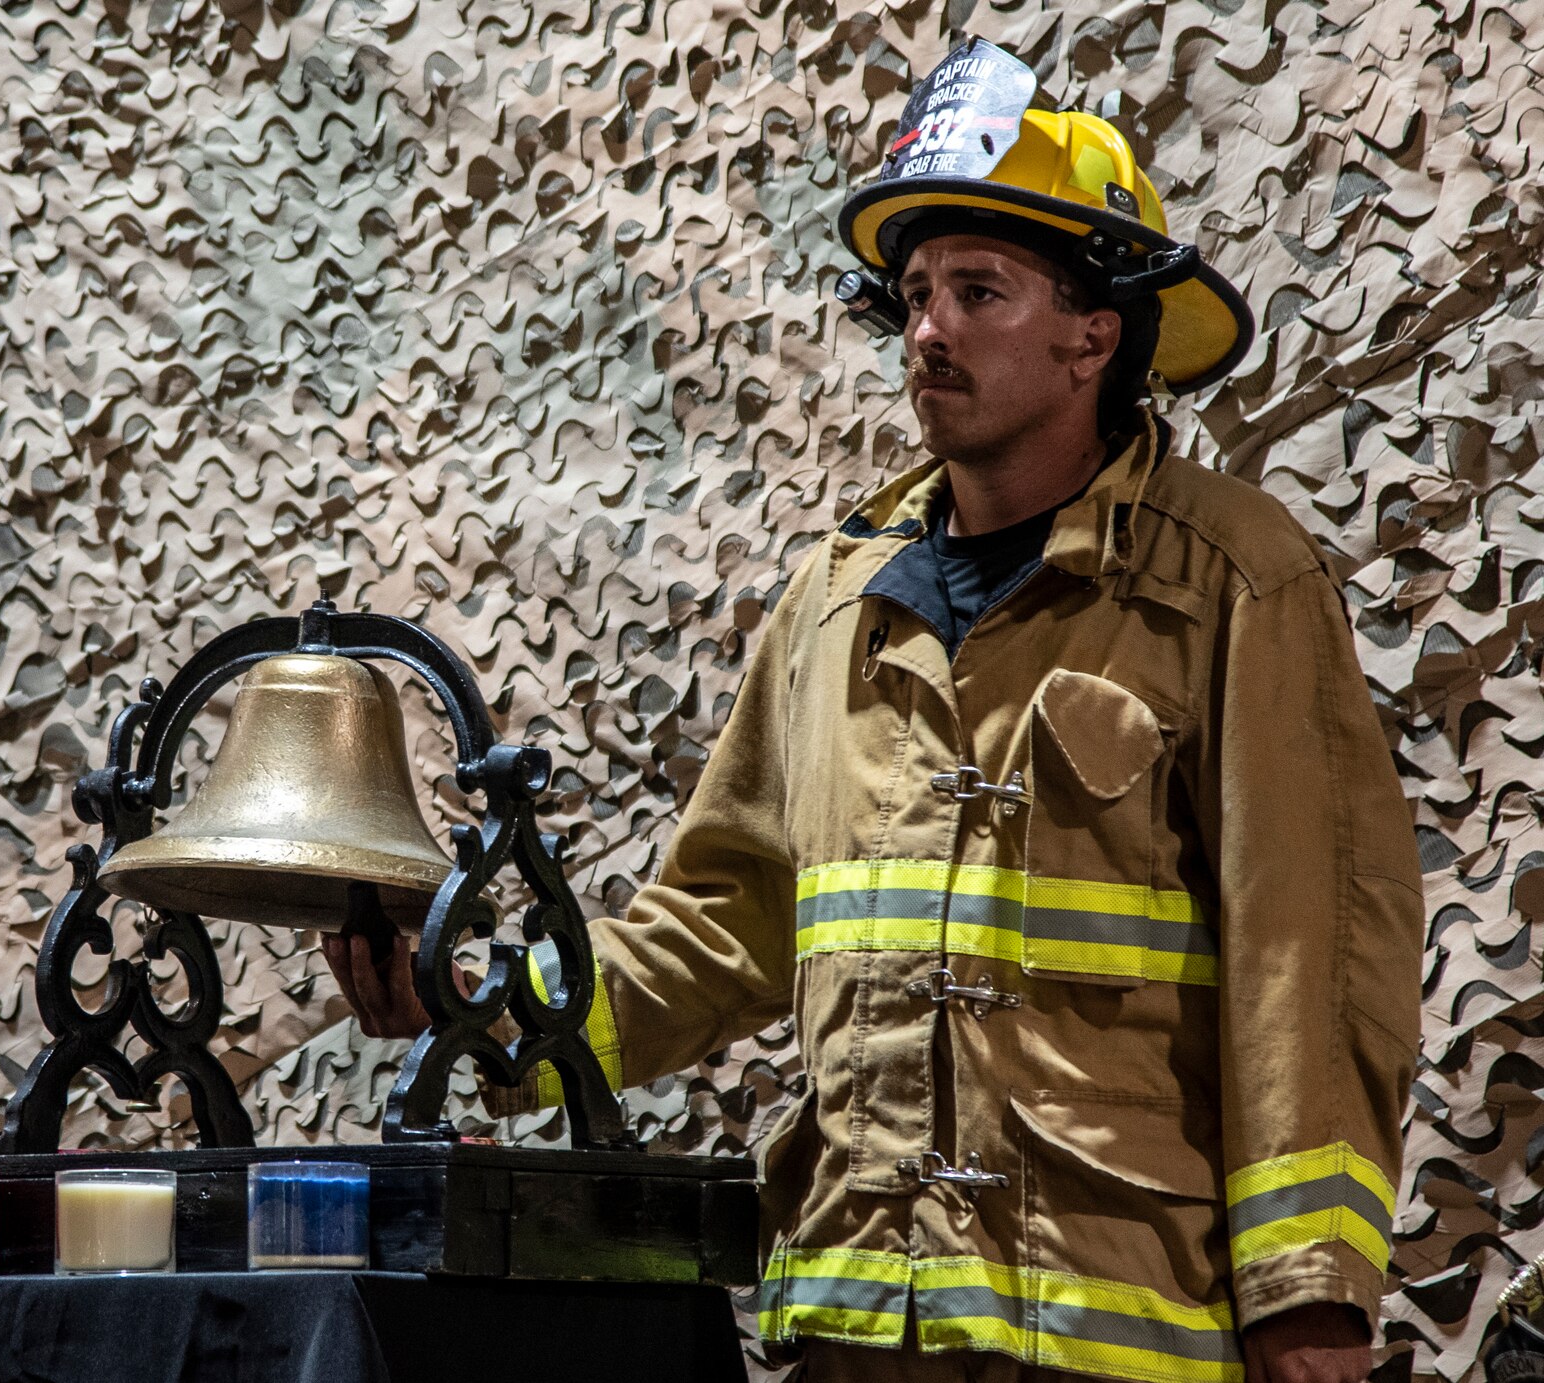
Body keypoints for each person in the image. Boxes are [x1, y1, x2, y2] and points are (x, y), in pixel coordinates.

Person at [324, 39, 1422, 1383]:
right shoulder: (835, 603)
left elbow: (1308, 960)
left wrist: (1308, 1298)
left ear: (1096, 332)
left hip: (1113, 1334)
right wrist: (484, 1005)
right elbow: (722, 924)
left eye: (978, 290)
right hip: (859, 1333)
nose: (928, 331)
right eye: (911, 294)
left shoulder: (1233, 582)